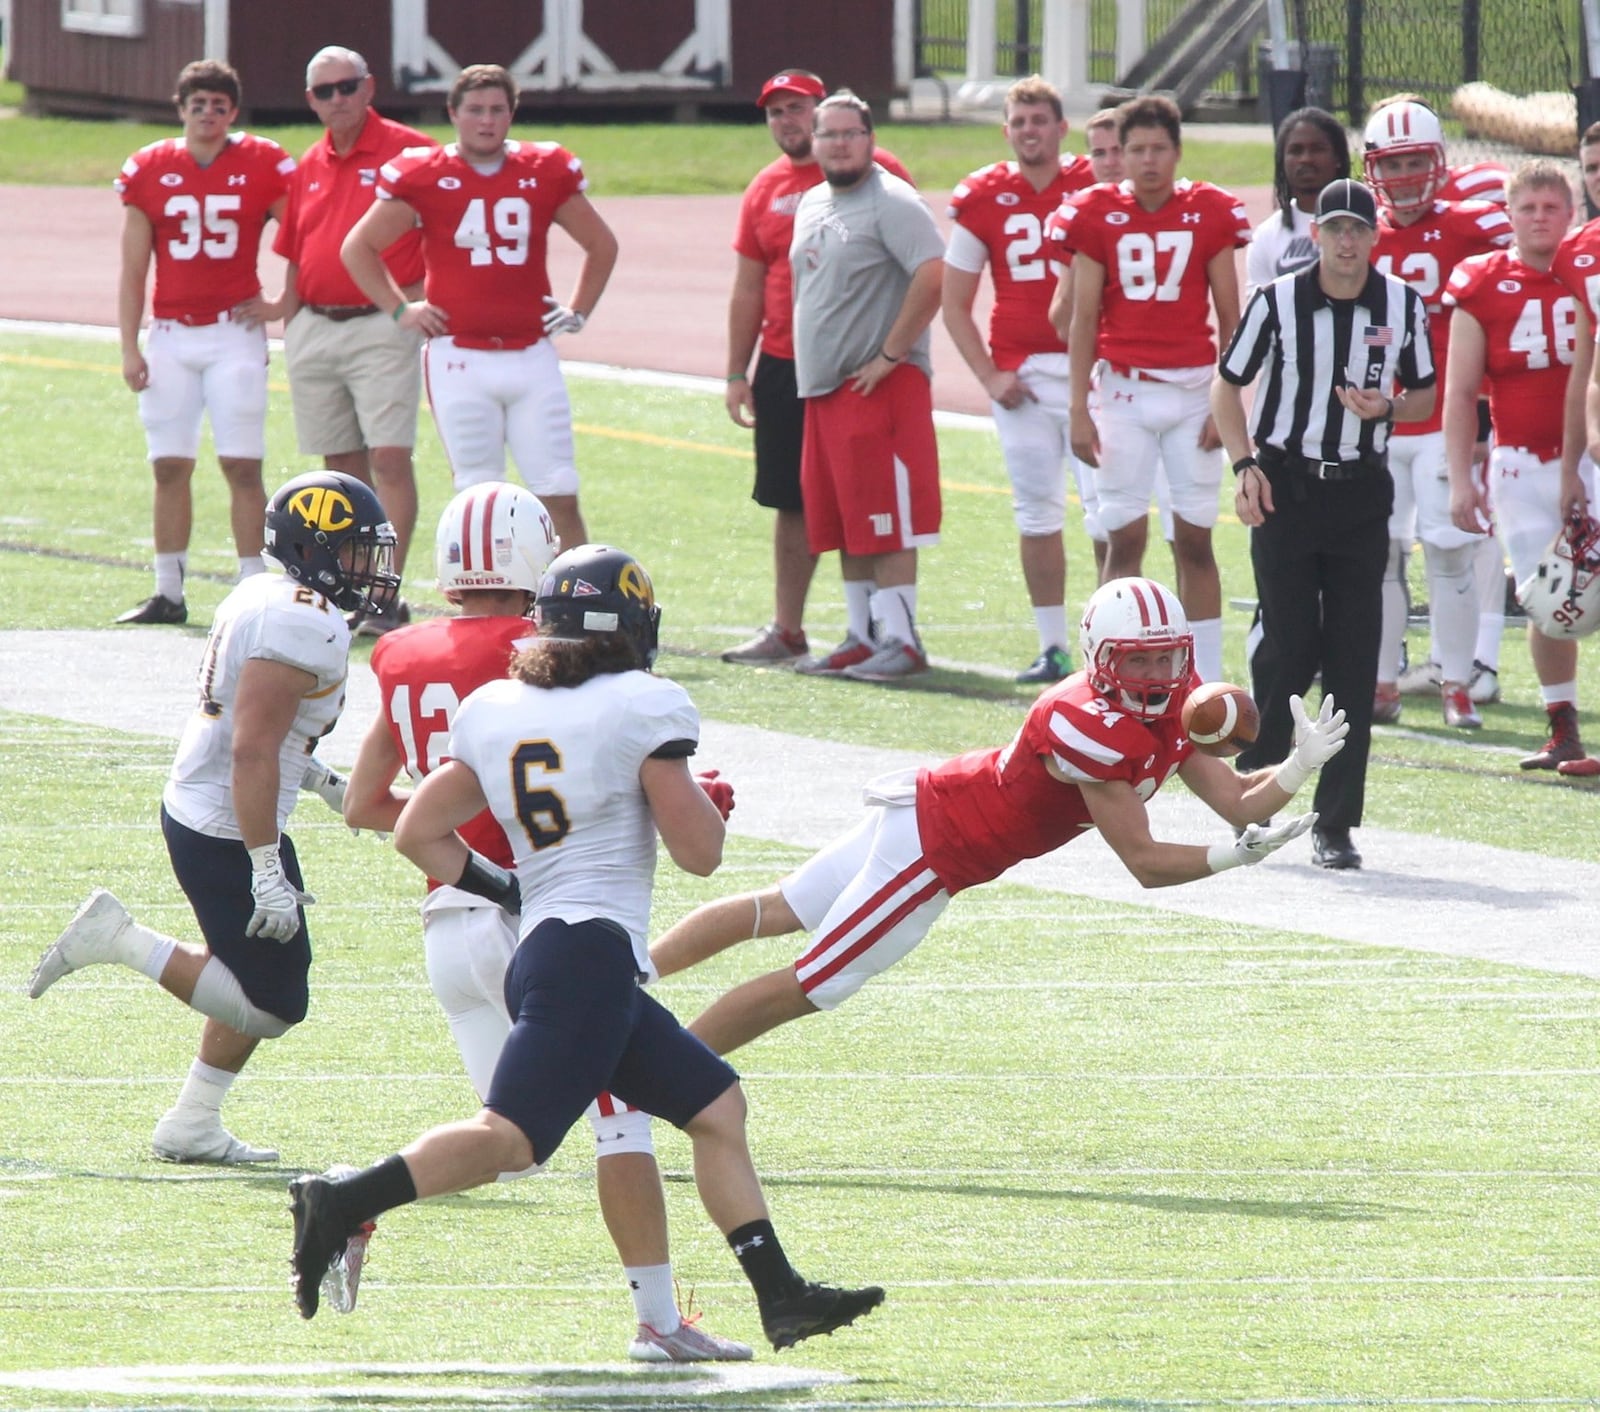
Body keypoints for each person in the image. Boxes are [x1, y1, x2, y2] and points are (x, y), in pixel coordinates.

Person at [287, 544, 885, 1352]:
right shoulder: (643, 704)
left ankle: (779, 1295)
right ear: (630, 627)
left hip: (553, 949)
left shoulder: (500, 708)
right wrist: (696, 797)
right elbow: (699, 854)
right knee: (510, 1139)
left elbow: (416, 830)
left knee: (716, 1107)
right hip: (589, 957)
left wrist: (509, 887)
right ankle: (345, 1196)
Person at [342, 484, 750, 1359]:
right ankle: (657, 1320)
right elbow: (596, 773)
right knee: (603, 1124)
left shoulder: (404, 654)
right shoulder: (549, 661)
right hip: (540, 916)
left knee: (519, 1147)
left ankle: (361, 1201)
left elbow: (375, 807)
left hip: (447, 915)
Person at [648, 577, 1345, 1052]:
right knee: (815, 980)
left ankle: (624, 978)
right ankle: (663, 1080)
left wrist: (1295, 767)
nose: (1160, 677)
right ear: (1100, 660)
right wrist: (1236, 856)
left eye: (1168, 658)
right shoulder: (1086, 724)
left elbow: (1234, 801)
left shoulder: (1170, 703)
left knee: (776, 910)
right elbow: (1145, 863)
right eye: (1142, 662)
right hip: (935, 849)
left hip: (929, 804)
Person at [28, 471, 400, 1161]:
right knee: (273, 1003)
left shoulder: (266, 592)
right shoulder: (302, 619)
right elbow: (253, 748)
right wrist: (265, 868)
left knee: (261, 977)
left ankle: (193, 1122)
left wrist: (314, 776)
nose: (366, 570)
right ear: (312, 548)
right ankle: (120, 940)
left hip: (216, 803)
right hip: (227, 820)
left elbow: (258, 729)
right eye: (352, 551)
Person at [1213, 179, 1436, 872]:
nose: (1345, 241)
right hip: (1286, 485)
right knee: (1289, 646)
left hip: (1360, 495)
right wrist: (1244, 466)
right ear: (1316, 234)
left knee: (1351, 656)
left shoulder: (1401, 303)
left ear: (1374, 236)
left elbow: (1423, 389)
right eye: (1334, 227)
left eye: (1356, 229)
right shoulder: (1277, 301)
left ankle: (1335, 822)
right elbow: (1227, 385)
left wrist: (1388, 408)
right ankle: (1255, 790)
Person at [342, 63, 618, 554]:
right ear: (453, 113)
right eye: (475, 110)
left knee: (558, 492)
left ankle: (573, 605)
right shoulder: (424, 174)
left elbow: (602, 244)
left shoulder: (545, 168)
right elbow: (358, 247)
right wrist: (402, 310)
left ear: (512, 114)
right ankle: (483, 609)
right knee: (477, 498)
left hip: (532, 354)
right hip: (460, 357)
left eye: (497, 110)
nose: (486, 121)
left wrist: (578, 310)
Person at [1057, 95, 1251, 682]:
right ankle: (1109, 675)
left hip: (1194, 390)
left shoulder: (1209, 210)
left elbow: (1229, 316)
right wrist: (1077, 409)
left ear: (1177, 151)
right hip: (1124, 392)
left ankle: (1206, 683)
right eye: (1134, 149)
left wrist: (1228, 403)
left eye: (1157, 149)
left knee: (1194, 540)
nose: (1146, 161)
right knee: (1123, 539)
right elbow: (1082, 319)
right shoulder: (1095, 212)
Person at [720, 70, 912, 667]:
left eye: (798, 109)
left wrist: (895, 353)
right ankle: (789, 627)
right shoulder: (767, 187)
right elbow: (749, 286)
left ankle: (886, 634)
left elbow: (919, 269)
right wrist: (735, 370)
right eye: (776, 112)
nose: (788, 123)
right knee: (789, 500)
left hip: (857, 366)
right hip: (783, 362)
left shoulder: (880, 177)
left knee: (866, 499)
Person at [113, 59, 295, 626]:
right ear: (181, 107)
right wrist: (129, 345)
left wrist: (282, 304)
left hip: (234, 332)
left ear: (232, 112)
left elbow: (304, 236)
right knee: (169, 465)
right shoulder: (150, 167)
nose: (209, 113)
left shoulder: (263, 161)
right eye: (199, 103)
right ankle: (168, 589)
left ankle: (251, 590)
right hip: (170, 333)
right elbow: (132, 269)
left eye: (219, 104)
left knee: (242, 464)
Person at [274, 46, 436, 637]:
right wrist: (283, 314)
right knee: (339, 470)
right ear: (311, 100)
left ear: (370, 87)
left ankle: (384, 591)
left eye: (347, 87)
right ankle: (351, 587)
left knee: (389, 455)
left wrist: (414, 299)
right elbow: (296, 249)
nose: (337, 99)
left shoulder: (411, 151)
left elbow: (445, 224)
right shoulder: (309, 163)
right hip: (315, 324)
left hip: (382, 319)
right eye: (325, 91)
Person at [1362, 97, 1512, 729]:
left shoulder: (1476, 227)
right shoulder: (1356, 229)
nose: (1401, 178)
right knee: (1383, 555)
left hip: (1446, 423)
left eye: (1414, 161)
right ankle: (1382, 682)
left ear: (1439, 160)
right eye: (1390, 165)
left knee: (1448, 553)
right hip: (1377, 419)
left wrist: (1488, 417)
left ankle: (1457, 680)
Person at [1446, 161, 1599, 776]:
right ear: (1508, 214)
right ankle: (1562, 728)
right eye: (1528, 208)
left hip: (1588, 459)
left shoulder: (1586, 271)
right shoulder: (1481, 281)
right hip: (1517, 463)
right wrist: (1461, 477)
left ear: (1571, 213)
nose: (1539, 219)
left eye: (1551, 208)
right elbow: (1460, 393)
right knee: (1548, 600)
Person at [942, 75, 1096, 684]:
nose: (1031, 131)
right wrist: (988, 375)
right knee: (1037, 514)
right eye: (1020, 122)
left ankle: (1107, 644)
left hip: (1091, 373)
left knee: (1110, 516)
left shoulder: (1092, 182)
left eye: (1041, 120)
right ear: (1006, 132)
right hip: (1023, 380)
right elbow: (954, 302)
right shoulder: (983, 196)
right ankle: (1053, 646)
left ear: (1062, 128)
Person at [789, 90, 947, 683]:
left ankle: (901, 641)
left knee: (886, 520)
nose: (839, 144)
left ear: (870, 137)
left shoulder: (893, 201)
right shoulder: (811, 201)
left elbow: (933, 274)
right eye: (828, 134)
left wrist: (892, 353)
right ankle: (862, 634)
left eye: (850, 133)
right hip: (827, 389)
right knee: (846, 521)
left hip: (877, 386)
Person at [1246, 107, 1349, 295]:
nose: (1306, 159)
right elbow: (1259, 312)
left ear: (1338, 158)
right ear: (1282, 161)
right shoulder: (1266, 236)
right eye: (1296, 150)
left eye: (1317, 149)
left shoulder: (1366, 224)